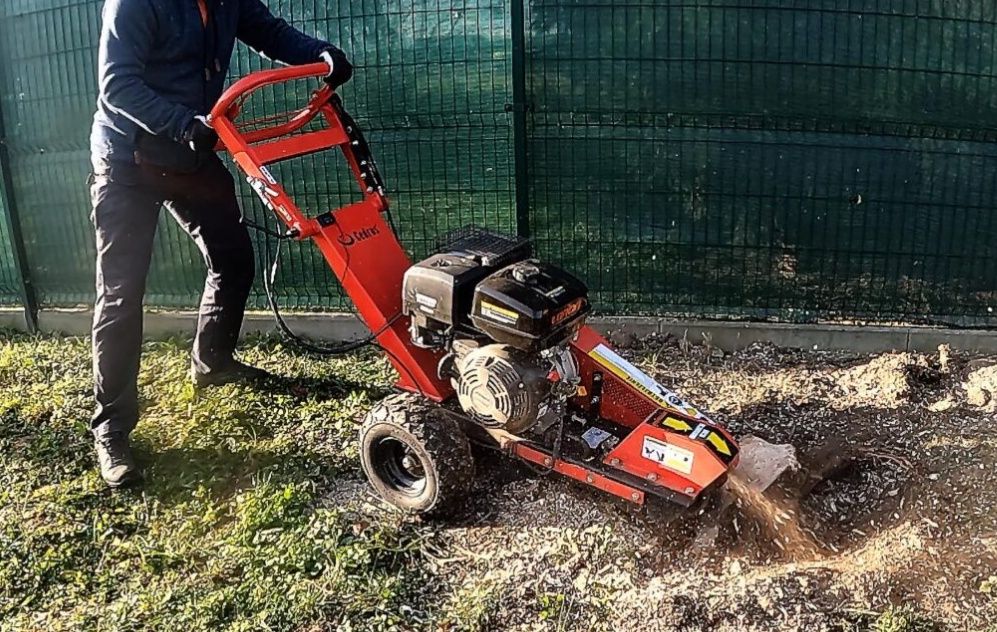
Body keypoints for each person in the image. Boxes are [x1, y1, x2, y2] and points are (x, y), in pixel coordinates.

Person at [89, 0, 353, 488]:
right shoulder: (133, 4)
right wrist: (183, 123)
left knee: (233, 257)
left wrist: (320, 54)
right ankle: (112, 429)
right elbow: (117, 85)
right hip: (130, 160)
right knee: (122, 296)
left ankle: (212, 362)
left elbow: (270, 31)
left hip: (191, 154)